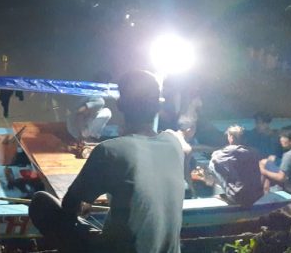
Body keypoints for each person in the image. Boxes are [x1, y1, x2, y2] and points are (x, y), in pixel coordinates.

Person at [30, 70, 185, 253]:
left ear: (119, 104)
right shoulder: (174, 144)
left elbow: (69, 206)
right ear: (158, 106)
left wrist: (82, 206)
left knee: (41, 203)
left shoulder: (110, 151)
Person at [205, 126, 263, 206]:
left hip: (238, 197)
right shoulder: (254, 152)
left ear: (231, 137)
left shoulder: (224, 153)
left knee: (213, 163)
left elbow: (216, 160)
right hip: (257, 195)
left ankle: (213, 186)